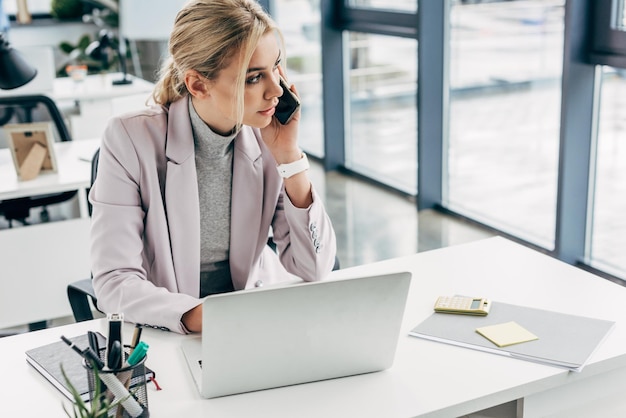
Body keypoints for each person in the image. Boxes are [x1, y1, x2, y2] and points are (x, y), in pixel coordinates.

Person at [89, 0, 337, 334]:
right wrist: (203, 317)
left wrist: (290, 157)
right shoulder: (129, 138)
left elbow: (314, 267)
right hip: (171, 326)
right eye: (253, 78)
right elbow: (114, 281)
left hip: (256, 317)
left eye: (276, 67)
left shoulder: (267, 136)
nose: (277, 90)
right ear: (198, 85)